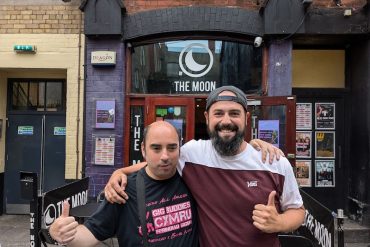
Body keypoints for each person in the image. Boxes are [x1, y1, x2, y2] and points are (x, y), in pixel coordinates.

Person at [105, 86, 305, 246]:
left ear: (246, 117)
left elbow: (298, 211)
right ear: (207, 118)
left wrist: (279, 223)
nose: (226, 121)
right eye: (219, 113)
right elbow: (159, 162)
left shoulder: (275, 162)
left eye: (234, 113)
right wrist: (119, 172)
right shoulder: (193, 154)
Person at [49, 121, 199, 246]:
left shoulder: (192, 177)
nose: (165, 156)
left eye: (172, 147)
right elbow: (91, 233)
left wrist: (120, 170)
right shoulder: (123, 189)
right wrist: (62, 233)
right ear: (143, 150)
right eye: (156, 148)